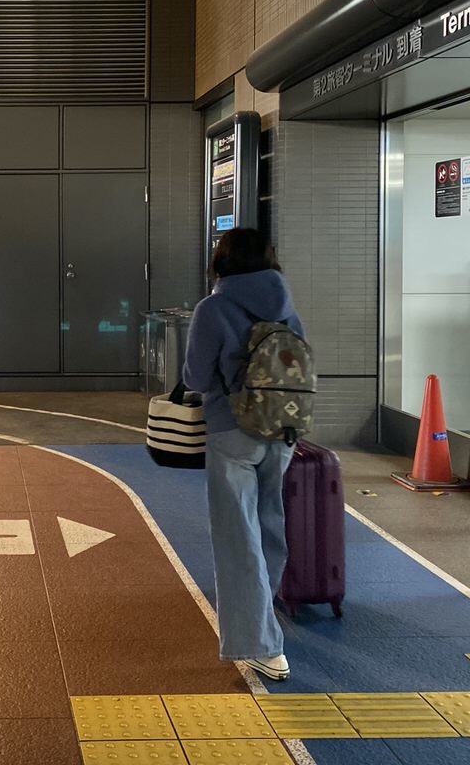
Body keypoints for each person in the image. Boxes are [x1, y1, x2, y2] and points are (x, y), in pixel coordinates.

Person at [182, 227, 305, 683]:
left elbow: (196, 377)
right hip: (283, 427)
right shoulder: (287, 305)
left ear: (222, 260)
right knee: (269, 524)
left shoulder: (213, 308)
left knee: (238, 538)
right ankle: (263, 611)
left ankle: (261, 645)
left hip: (233, 430)